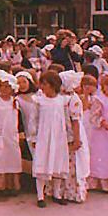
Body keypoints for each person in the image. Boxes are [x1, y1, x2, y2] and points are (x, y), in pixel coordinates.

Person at [32, 71, 70, 208]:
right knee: (42, 162)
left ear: (53, 85)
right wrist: (33, 137)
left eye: (45, 84)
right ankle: (40, 196)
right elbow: (34, 120)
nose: (42, 87)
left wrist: (69, 136)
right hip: (44, 136)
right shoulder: (39, 100)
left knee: (57, 162)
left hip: (58, 135)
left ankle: (56, 193)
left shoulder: (62, 100)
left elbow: (66, 120)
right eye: (41, 83)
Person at [56, 70, 90, 204]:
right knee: (65, 162)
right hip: (64, 133)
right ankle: (62, 190)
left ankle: (71, 191)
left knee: (73, 163)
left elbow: (75, 120)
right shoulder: (63, 98)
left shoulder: (73, 99)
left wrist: (77, 138)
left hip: (71, 134)